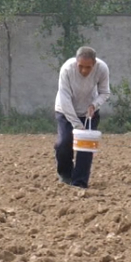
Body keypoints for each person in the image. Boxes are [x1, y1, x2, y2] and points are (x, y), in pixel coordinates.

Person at [53, 46, 110, 188]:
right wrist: (77, 124)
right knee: (63, 143)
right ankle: (66, 176)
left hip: (89, 113)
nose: (84, 71)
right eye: (81, 66)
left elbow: (105, 92)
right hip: (66, 112)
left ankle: (79, 183)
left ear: (94, 64)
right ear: (76, 62)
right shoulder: (67, 69)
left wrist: (94, 105)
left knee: (85, 148)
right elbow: (64, 97)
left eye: (88, 67)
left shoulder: (102, 69)